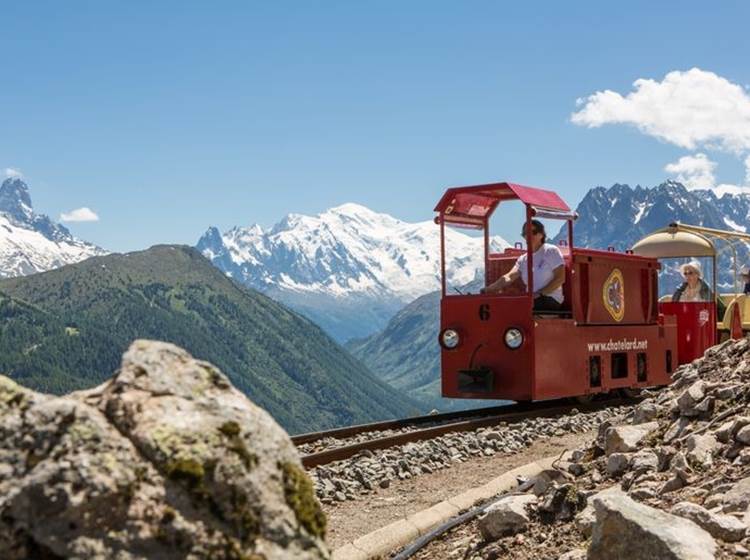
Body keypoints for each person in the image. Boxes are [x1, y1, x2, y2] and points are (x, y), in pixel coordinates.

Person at [481, 219, 565, 312]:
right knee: (500, 307)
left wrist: (540, 294)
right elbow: (509, 277)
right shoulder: (523, 259)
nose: (528, 236)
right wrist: (488, 289)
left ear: (541, 234)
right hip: (531, 299)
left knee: (516, 309)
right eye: (525, 234)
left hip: (550, 299)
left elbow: (560, 278)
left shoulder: (550, 251)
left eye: (532, 232)